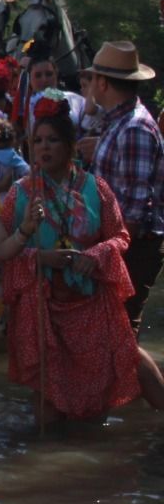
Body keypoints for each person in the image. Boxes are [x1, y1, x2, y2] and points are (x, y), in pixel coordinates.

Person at [0, 97, 164, 418]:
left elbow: (120, 236)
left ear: (70, 146)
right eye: (38, 141)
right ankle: (55, 447)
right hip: (43, 304)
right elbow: (2, 250)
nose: (44, 147)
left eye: (53, 140)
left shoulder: (95, 188)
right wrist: (41, 257)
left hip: (90, 299)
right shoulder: (21, 193)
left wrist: (96, 255)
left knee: (116, 368)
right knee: (48, 399)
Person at [79, 41, 164, 336]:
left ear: (103, 83)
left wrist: (106, 253)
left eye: (93, 78)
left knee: (120, 332)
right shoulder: (119, 123)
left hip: (132, 247)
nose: (90, 84)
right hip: (119, 244)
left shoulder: (133, 128)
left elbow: (135, 211)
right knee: (112, 332)